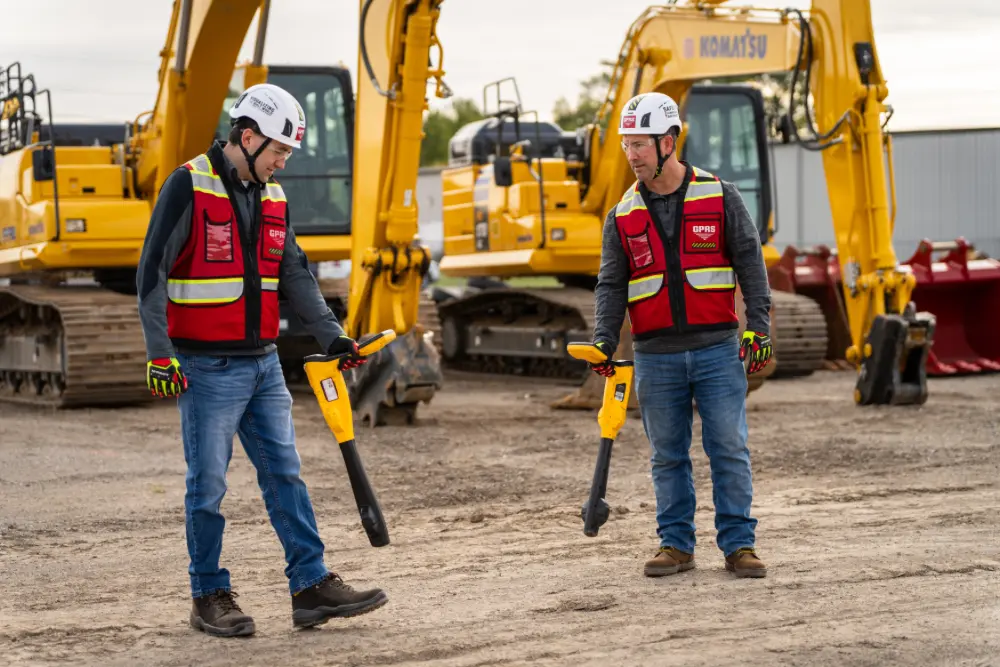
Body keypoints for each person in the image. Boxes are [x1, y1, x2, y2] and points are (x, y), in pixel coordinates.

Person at [136, 83, 388, 637]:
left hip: (264, 365)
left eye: (287, 153)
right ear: (246, 137)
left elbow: (293, 272)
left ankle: (311, 585)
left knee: (286, 476)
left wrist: (333, 336)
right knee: (208, 486)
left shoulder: (272, 196)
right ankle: (209, 595)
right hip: (205, 369)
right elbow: (150, 273)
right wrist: (160, 355)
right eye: (278, 150)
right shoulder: (188, 186)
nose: (282, 162)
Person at [590, 92, 773, 579]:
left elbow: (751, 264)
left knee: (729, 449)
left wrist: (760, 325)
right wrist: (603, 340)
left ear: (668, 142)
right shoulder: (622, 215)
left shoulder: (719, 195)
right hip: (656, 357)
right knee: (667, 456)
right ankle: (676, 544)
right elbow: (611, 284)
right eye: (627, 144)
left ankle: (740, 546)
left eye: (640, 144)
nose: (631, 154)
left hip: (717, 351)